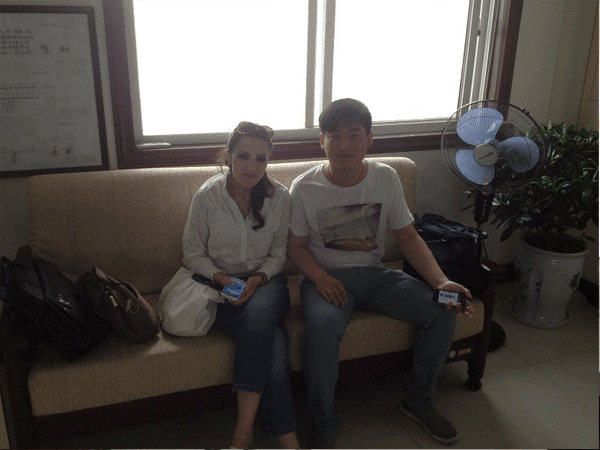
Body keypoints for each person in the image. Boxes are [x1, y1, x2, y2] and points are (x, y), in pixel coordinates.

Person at [287, 98, 476, 448]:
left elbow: (408, 237)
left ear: (369, 139)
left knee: (441, 310)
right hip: (326, 279)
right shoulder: (304, 187)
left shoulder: (386, 177)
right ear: (322, 141)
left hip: (375, 276)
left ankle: (418, 402)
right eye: (334, 136)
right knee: (321, 331)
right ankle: (324, 421)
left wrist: (441, 281)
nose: (344, 145)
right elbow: (295, 247)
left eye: (354, 135)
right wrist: (320, 278)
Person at [182, 121, 299, 449]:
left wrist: (258, 279)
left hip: (267, 284)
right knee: (272, 345)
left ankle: (241, 435)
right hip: (220, 287)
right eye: (244, 156)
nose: (252, 166)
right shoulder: (209, 196)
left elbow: (278, 256)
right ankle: (289, 442)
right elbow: (192, 254)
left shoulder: (279, 197)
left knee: (259, 313)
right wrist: (224, 280)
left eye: (261, 159)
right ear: (229, 156)